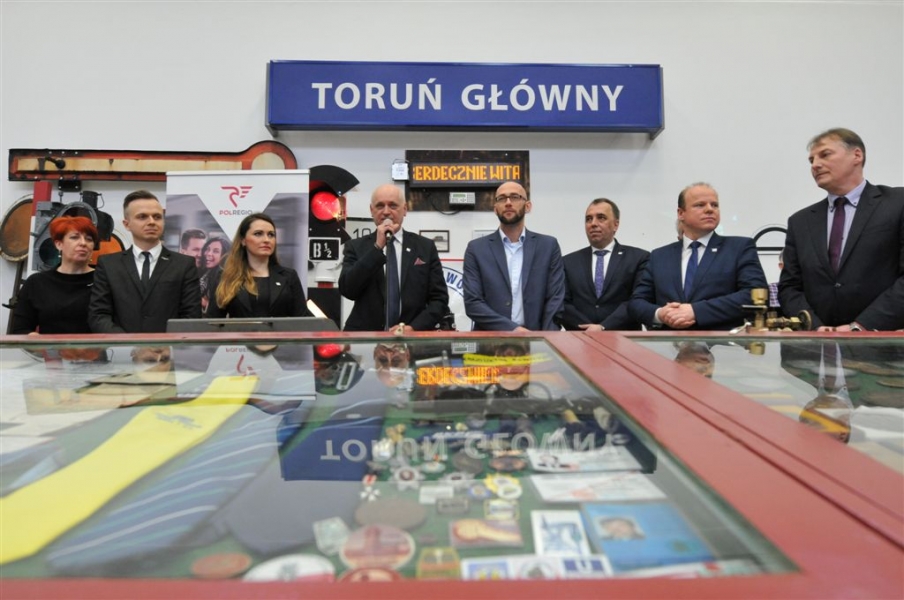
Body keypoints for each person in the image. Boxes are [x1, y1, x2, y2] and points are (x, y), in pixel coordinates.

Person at [779, 128, 904, 331]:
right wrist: (815, 327)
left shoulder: (897, 203)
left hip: (884, 341)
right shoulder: (800, 222)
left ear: (857, 155)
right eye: (811, 160)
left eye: (825, 154)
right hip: (817, 344)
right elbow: (789, 287)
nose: (815, 165)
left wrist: (860, 326)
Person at [629, 182, 767, 330]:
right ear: (681, 213)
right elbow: (637, 302)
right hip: (670, 342)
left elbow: (755, 295)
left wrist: (696, 311)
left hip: (722, 342)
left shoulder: (739, 248)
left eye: (714, 205)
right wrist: (661, 314)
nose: (709, 209)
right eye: (700, 205)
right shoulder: (659, 256)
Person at [339, 183, 449, 332]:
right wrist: (377, 247)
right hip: (366, 337)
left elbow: (439, 300)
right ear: (371, 210)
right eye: (380, 206)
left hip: (411, 338)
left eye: (393, 205)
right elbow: (347, 290)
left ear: (405, 209)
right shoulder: (355, 246)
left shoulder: (425, 247)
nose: (386, 212)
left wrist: (413, 328)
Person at [89, 190, 201, 333]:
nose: (152, 222)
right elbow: (99, 315)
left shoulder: (184, 265)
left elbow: (191, 317)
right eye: (142, 217)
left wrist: (164, 344)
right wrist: (128, 343)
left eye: (157, 217)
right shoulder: (108, 265)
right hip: (121, 346)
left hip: (168, 346)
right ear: (127, 224)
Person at [463, 181, 565, 331]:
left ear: (528, 206)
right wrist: (513, 330)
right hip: (490, 340)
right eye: (502, 198)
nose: (508, 203)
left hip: (537, 338)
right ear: (495, 209)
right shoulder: (476, 249)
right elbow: (473, 303)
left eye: (515, 197)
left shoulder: (548, 246)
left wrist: (546, 338)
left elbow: (555, 299)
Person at [560, 198, 650, 331]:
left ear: (616, 225)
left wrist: (603, 327)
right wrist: (588, 329)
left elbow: (638, 300)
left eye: (601, 218)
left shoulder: (638, 258)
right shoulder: (568, 262)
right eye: (589, 219)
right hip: (580, 337)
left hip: (623, 338)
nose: (593, 224)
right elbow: (563, 303)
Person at [207, 212, 312, 318]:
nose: (266, 240)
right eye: (258, 234)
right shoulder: (225, 276)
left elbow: (302, 319)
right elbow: (213, 321)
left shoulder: (289, 276)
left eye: (271, 235)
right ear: (243, 240)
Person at [10, 216, 98, 335]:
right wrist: (32, 337)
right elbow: (20, 329)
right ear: (59, 244)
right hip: (50, 347)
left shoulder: (103, 280)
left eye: (89, 239)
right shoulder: (37, 282)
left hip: (95, 347)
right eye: (74, 237)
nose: (83, 243)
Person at [198, 236, 232, 315]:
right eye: (207, 249)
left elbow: (220, 307)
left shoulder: (222, 276)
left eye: (216, 251)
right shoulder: (205, 273)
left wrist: (203, 302)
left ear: (224, 255)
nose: (208, 253)